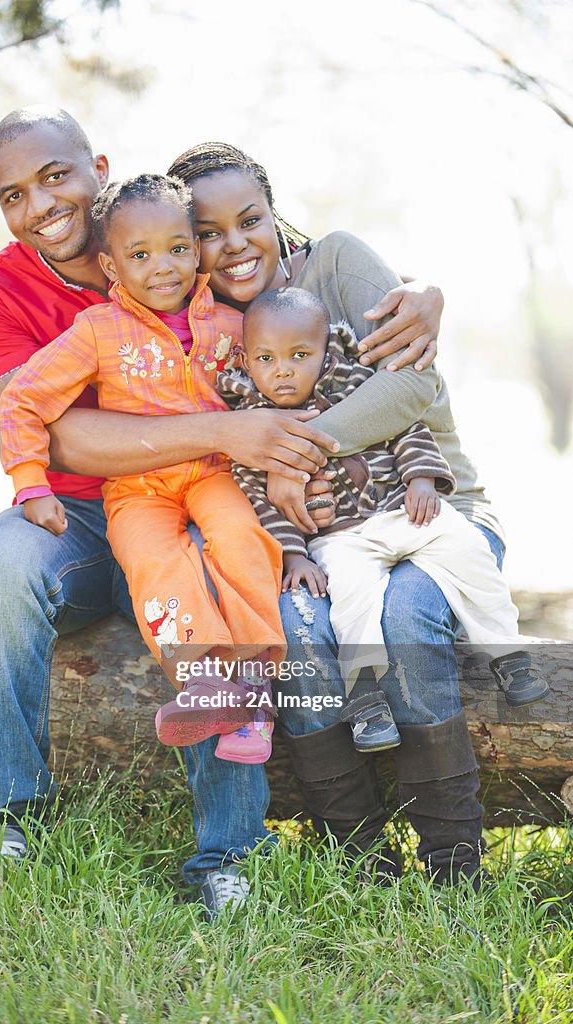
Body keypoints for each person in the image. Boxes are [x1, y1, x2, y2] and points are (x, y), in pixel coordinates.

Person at [0, 105, 444, 909]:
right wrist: (224, 428)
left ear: (98, 169)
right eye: (13, 195)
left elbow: (285, 281)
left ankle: (228, 852)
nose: (40, 205)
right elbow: (58, 434)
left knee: (226, 577)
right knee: (0, 568)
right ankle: (9, 818)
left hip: (206, 494)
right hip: (78, 516)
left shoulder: (174, 247)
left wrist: (419, 292)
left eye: (55, 176)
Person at [165, 139, 526, 887]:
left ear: (274, 215)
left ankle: (454, 862)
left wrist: (297, 450)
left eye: (250, 219)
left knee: (402, 617)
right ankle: (358, 857)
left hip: (432, 516)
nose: (233, 245)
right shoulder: (214, 329)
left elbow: (409, 390)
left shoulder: (334, 263)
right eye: (207, 232)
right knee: (297, 631)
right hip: (323, 549)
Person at [0, 172, 284, 765]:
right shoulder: (98, 332)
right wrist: (30, 482)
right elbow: (23, 399)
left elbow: (293, 367)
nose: (164, 267)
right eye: (140, 254)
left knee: (241, 541)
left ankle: (255, 694)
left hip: (214, 474)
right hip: (137, 490)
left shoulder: (232, 326)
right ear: (110, 267)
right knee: (155, 564)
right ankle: (207, 684)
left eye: (179, 249)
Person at [218, 285, 549, 755]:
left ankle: (508, 653)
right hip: (339, 540)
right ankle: (366, 696)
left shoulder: (352, 384)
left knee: (467, 551)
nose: (284, 370)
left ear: (324, 352)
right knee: (352, 601)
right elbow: (261, 499)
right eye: (266, 359)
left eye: (299, 355)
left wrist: (421, 480)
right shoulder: (253, 425)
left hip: (401, 511)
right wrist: (294, 554)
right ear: (247, 362)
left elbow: (404, 427)